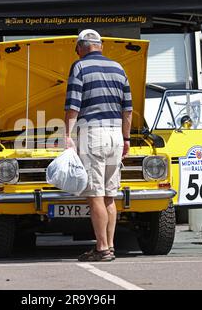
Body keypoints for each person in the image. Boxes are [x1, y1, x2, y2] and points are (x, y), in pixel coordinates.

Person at [64, 29, 133, 262]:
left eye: (76, 50)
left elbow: (73, 105)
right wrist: (126, 139)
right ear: (100, 46)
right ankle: (110, 246)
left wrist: (67, 135)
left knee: (95, 195)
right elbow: (128, 109)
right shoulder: (119, 68)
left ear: (81, 47)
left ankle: (102, 249)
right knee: (110, 196)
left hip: (93, 134)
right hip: (115, 135)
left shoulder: (80, 67)